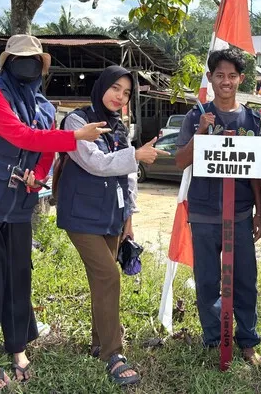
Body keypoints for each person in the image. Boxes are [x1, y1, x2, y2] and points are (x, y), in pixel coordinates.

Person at [0, 34, 109, 390]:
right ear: (7, 64)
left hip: (19, 206)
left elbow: (45, 153)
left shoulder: (45, 107)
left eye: (34, 60)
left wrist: (37, 177)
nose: (28, 66)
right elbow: (20, 136)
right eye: (20, 59)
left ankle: (18, 347)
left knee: (18, 278)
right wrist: (74, 137)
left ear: (42, 67)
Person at [56, 65, 166, 387]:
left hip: (111, 216)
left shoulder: (120, 127)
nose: (120, 96)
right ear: (101, 86)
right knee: (108, 276)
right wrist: (137, 154)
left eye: (126, 93)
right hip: (81, 214)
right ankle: (112, 353)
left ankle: (98, 343)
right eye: (115, 88)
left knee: (101, 281)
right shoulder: (77, 121)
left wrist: (128, 219)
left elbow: (127, 177)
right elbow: (95, 162)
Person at [174, 48, 261, 365]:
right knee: (207, 281)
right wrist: (201, 131)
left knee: (245, 280)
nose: (226, 81)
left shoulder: (252, 120)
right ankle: (214, 339)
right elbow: (180, 161)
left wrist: (259, 212)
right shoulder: (195, 116)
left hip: (239, 214)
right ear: (210, 78)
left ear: (241, 79)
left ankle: (248, 341)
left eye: (232, 76)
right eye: (219, 75)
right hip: (203, 214)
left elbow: (256, 172)